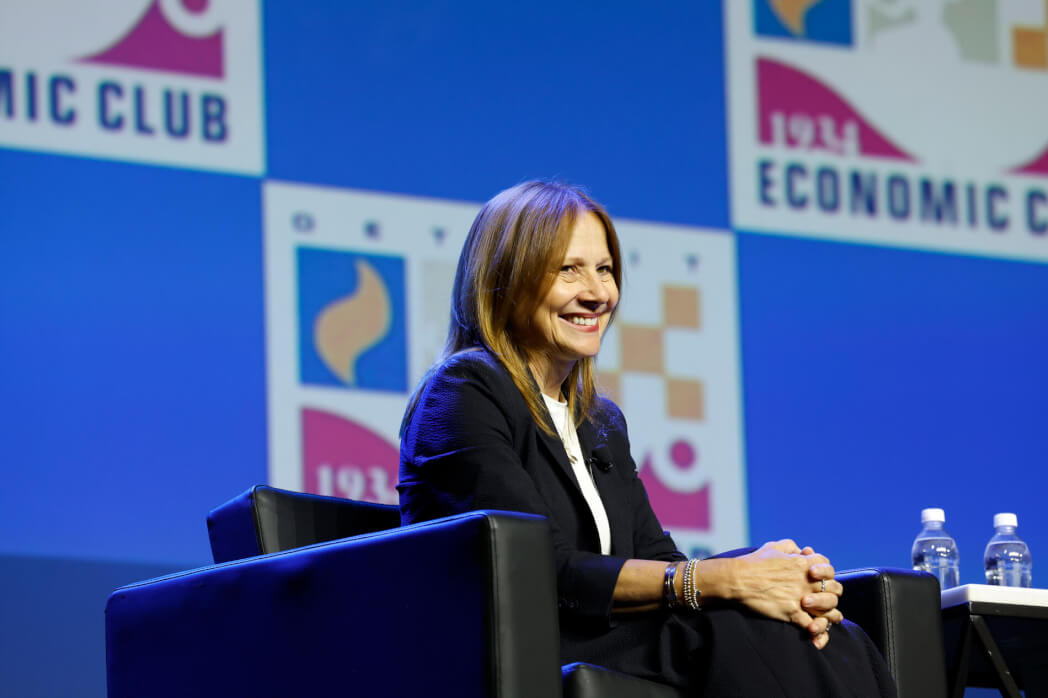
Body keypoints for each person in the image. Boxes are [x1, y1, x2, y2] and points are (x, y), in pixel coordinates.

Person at [398, 181, 896, 696]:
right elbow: (538, 570)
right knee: (741, 621)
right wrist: (728, 580)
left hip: (612, 635)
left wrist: (775, 579)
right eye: (568, 269)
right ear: (505, 278)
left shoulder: (600, 420)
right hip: (530, 645)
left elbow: (659, 557)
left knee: (827, 632)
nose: (597, 293)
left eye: (604, 269)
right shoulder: (464, 391)